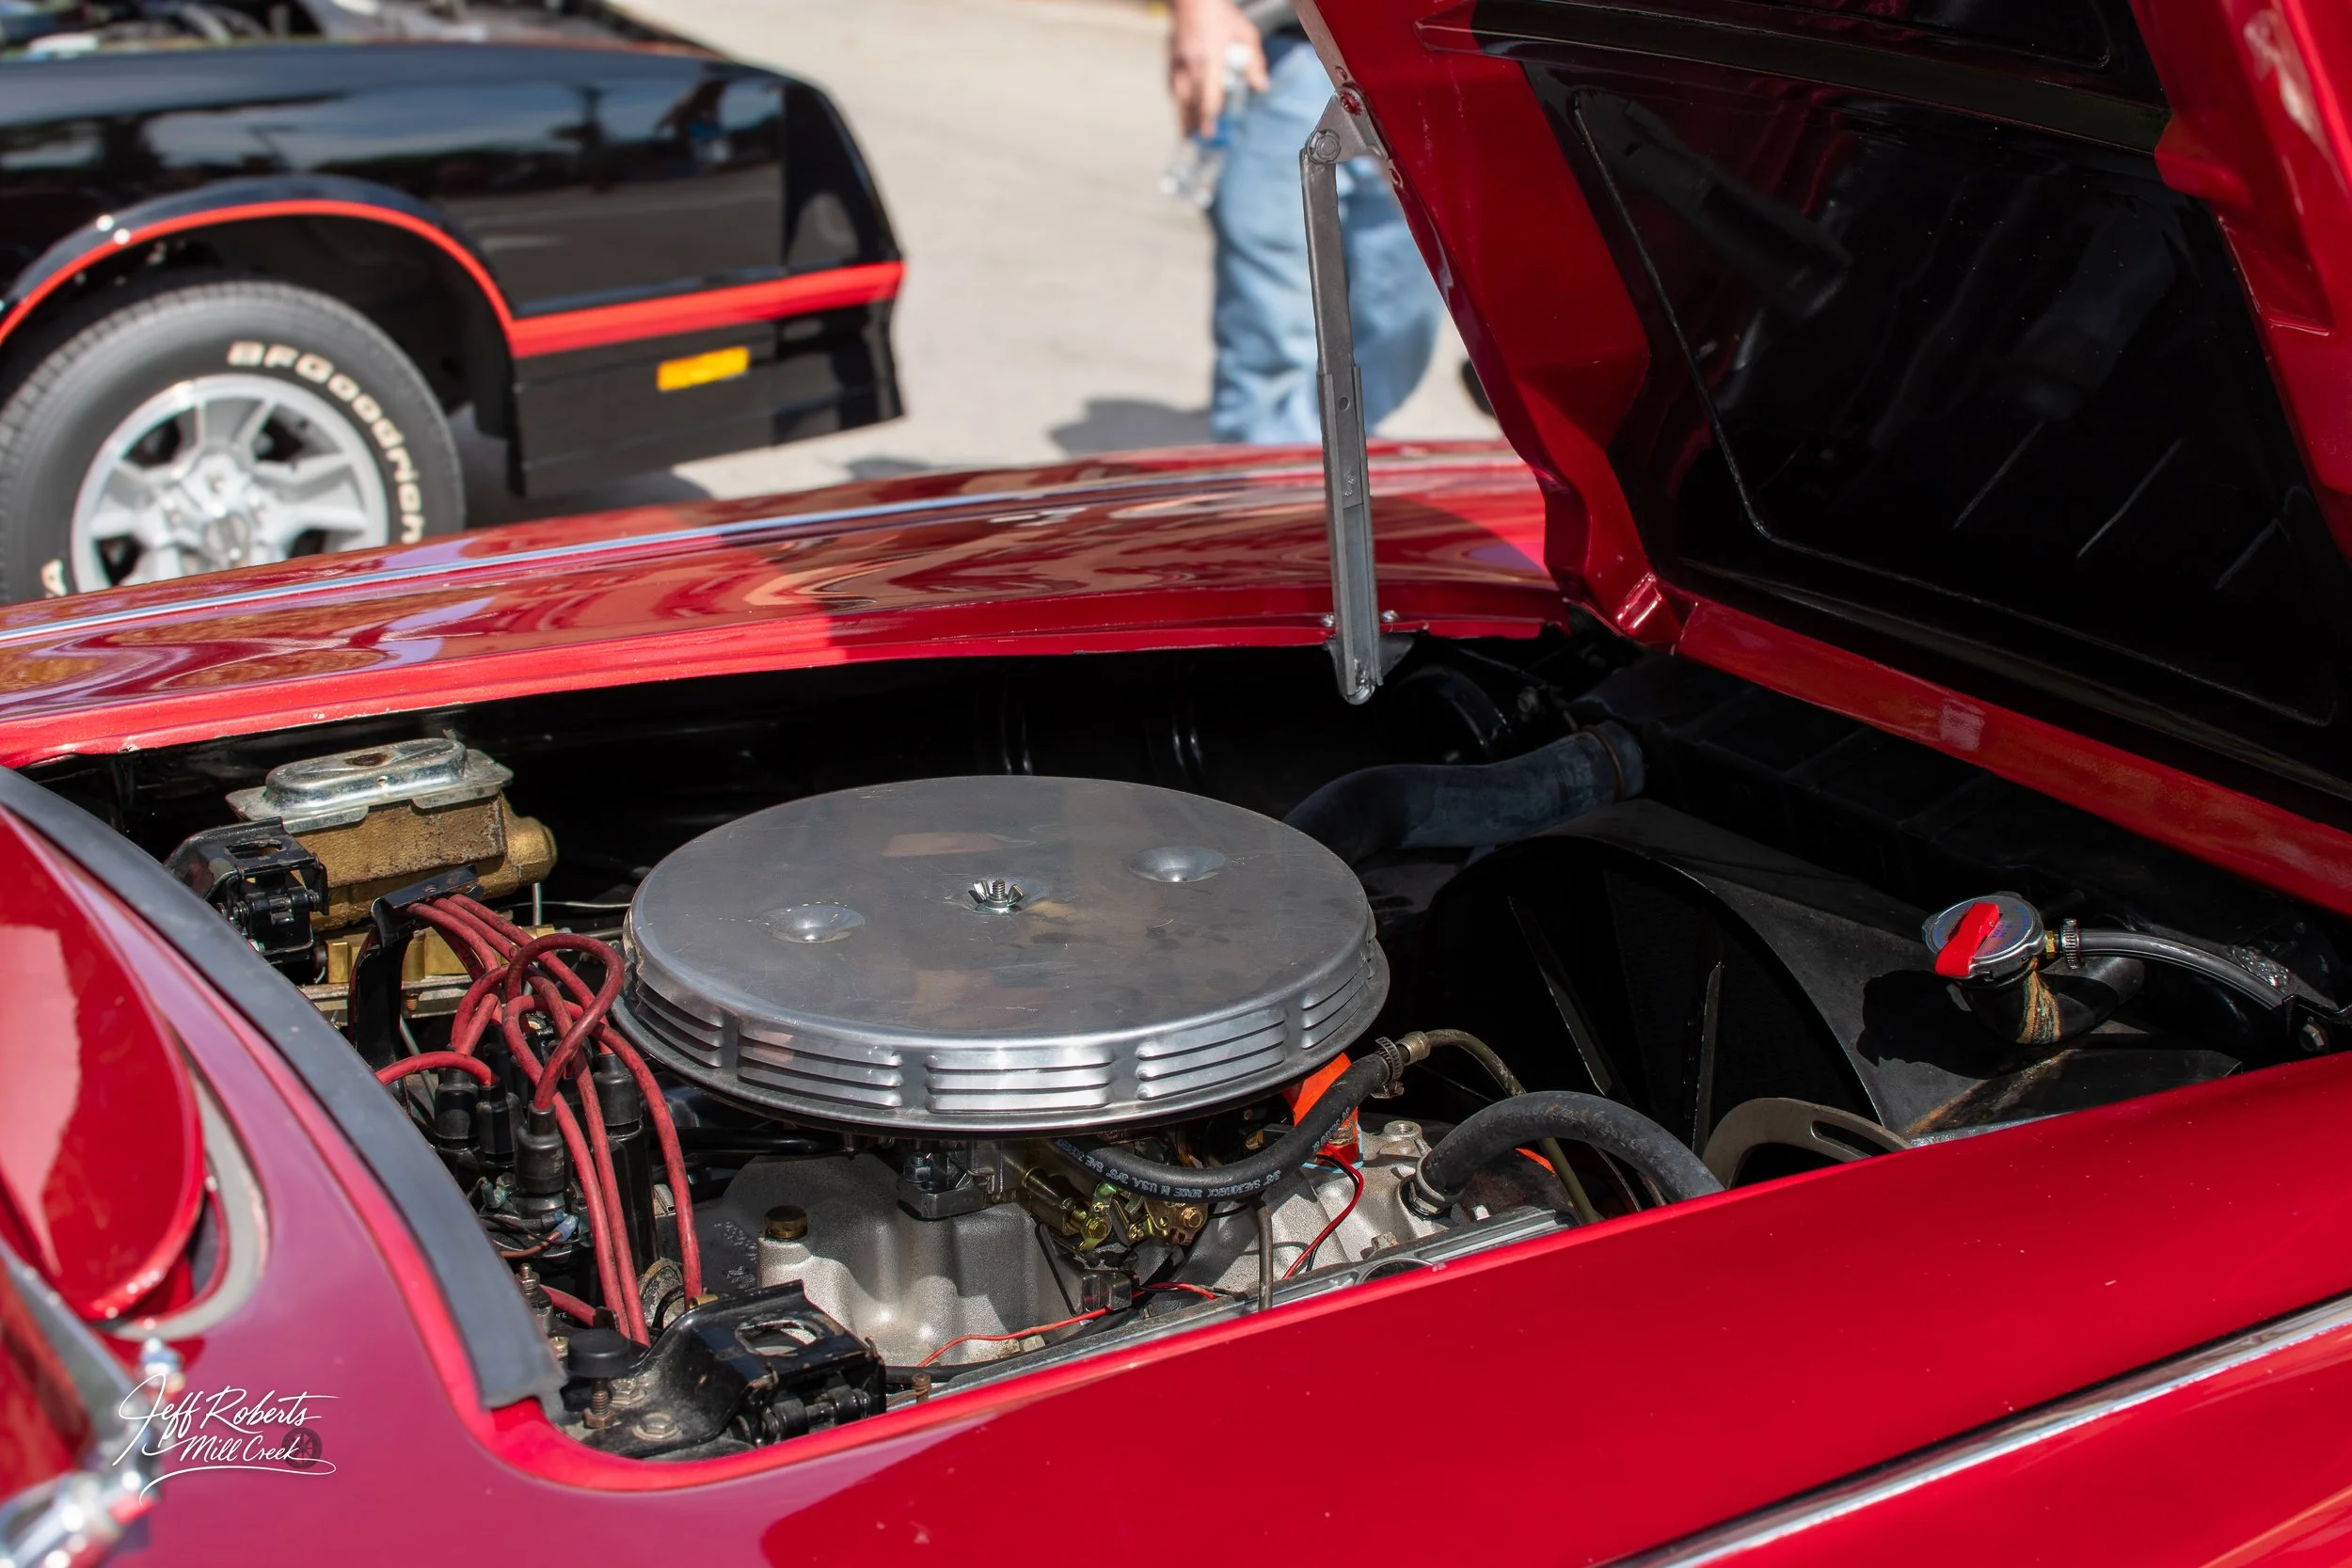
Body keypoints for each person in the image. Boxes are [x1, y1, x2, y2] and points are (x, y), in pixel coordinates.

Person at [1168, 0, 1445, 445]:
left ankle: (1321, 457)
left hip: (1424, 63)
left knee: (1402, 324)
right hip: (1290, 54)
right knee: (1269, 331)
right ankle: (1265, 472)